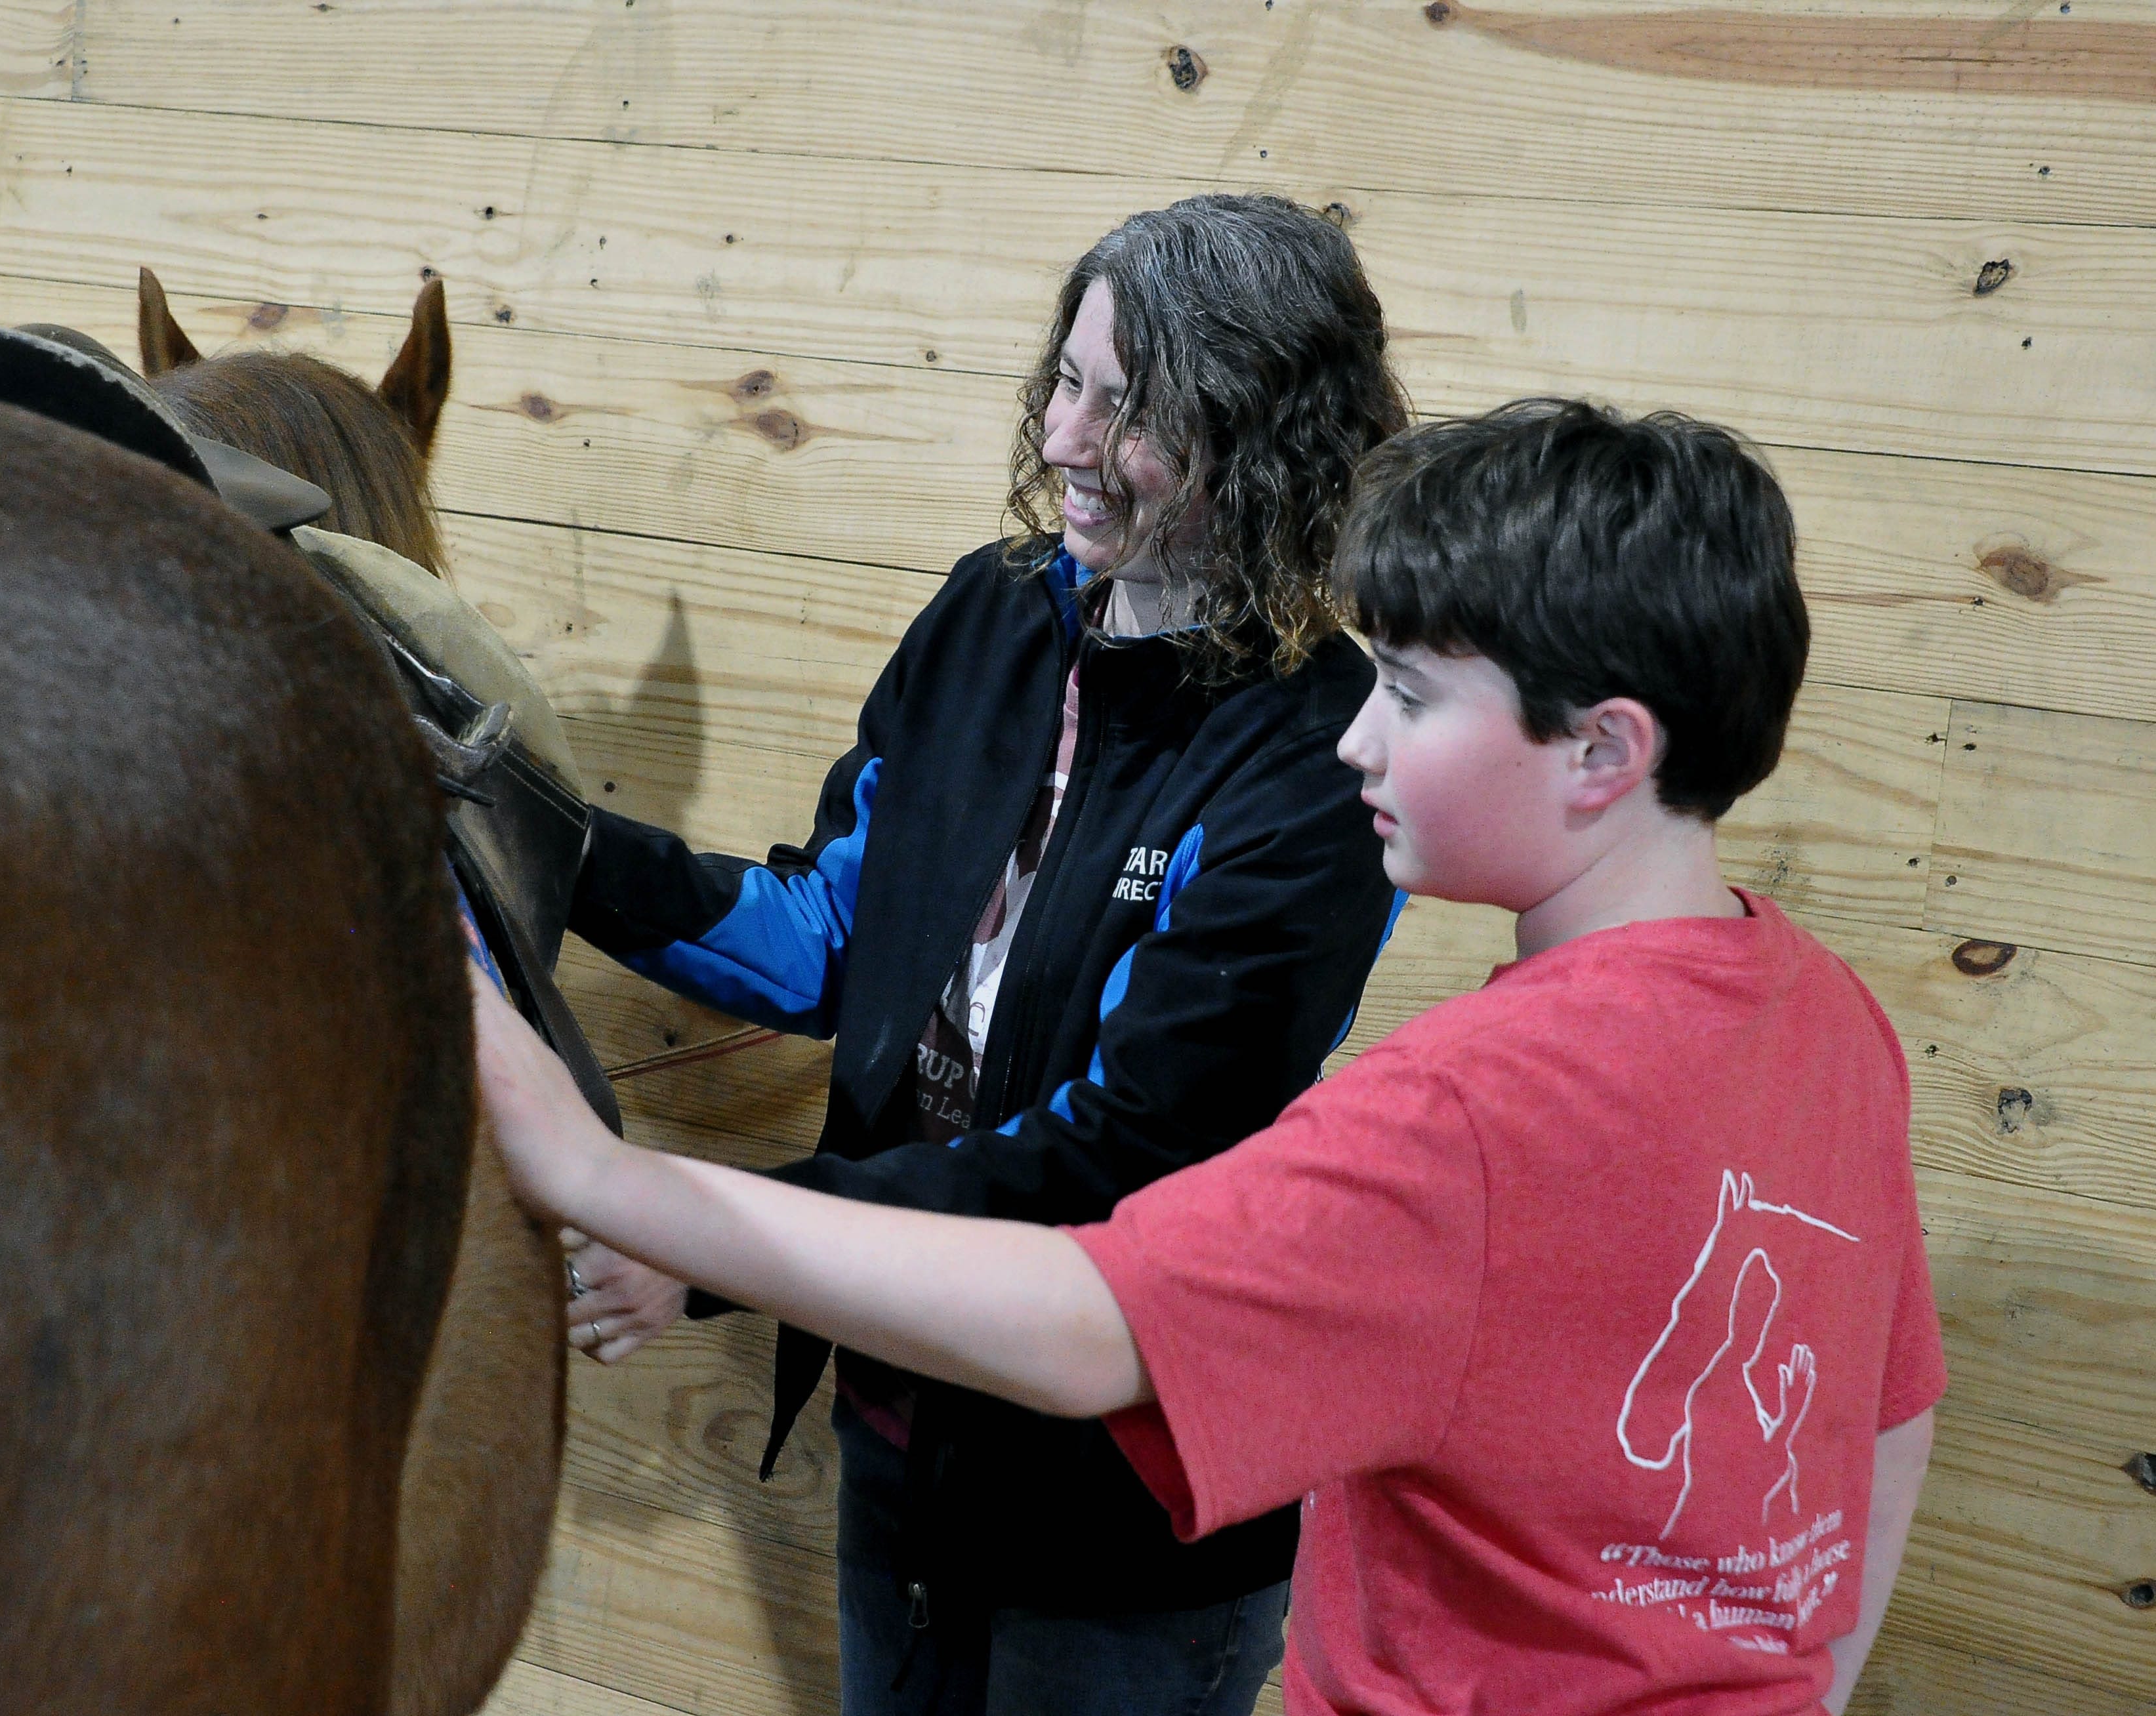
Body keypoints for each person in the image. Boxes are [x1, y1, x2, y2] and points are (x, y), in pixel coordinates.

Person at [478, 399, 1945, 1715]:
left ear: (1602, 754)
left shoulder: (1466, 1112)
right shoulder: (1822, 1018)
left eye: (1413, 697)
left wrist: (600, 1175)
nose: (1357, 741)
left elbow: (1083, 1325)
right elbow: (1886, 1422)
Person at [561, 193, 1409, 1714]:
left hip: (1124, 1519)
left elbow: (1102, 1162)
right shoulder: (989, 613)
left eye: (1132, 411)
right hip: (903, 1442)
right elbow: (827, 942)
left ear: (1259, 444)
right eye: (1066, 381)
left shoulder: (1312, 761)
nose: (1070, 438)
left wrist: (711, 1246)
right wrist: (552, 847)